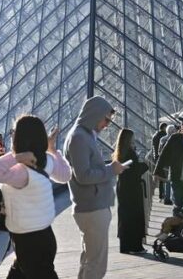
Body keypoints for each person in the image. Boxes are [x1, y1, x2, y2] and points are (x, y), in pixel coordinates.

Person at [0, 115, 70, 279]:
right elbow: (65, 175)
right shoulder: (47, 161)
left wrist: (16, 156)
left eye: (13, 131)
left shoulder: (21, 170)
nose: (11, 135)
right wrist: (52, 149)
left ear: (21, 137)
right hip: (43, 235)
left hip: (28, 241)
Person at [64, 96, 128, 279]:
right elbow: (83, 176)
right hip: (92, 208)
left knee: (89, 259)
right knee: (96, 263)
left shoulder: (83, 135)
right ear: (94, 114)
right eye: (106, 119)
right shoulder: (79, 137)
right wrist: (111, 170)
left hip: (91, 206)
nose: (107, 124)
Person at [113, 128, 149, 254]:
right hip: (132, 188)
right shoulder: (130, 152)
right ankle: (135, 246)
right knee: (135, 215)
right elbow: (134, 171)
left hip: (123, 187)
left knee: (125, 216)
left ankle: (125, 245)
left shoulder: (119, 152)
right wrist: (145, 165)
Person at [157, 124, 178, 206]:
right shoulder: (175, 139)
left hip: (165, 162)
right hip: (173, 162)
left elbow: (159, 151)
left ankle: (167, 198)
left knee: (167, 181)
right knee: (172, 180)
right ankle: (172, 198)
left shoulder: (162, 139)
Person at [152, 123, 167, 200]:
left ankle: (161, 195)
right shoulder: (164, 136)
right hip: (163, 158)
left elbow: (153, 148)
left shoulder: (155, 136)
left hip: (156, 158)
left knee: (160, 177)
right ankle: (166, 195)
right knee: (166, 176)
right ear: (164, 128)